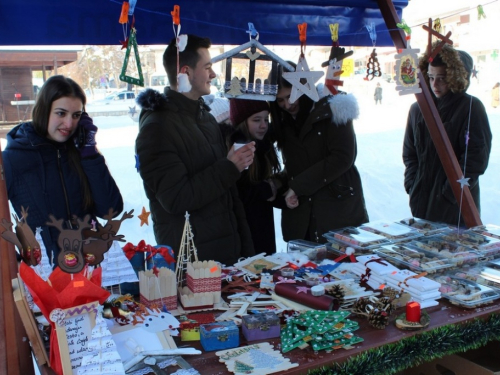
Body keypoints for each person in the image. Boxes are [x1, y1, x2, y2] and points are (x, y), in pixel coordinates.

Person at [135, 34, 255, 265]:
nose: (213, 74)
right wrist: (229, 166)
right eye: (207, 67)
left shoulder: (205, 118)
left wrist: (245, 250)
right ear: (186, 72)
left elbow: (228, 195)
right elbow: (176, 198)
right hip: (192, 264)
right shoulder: (157, 128)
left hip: (227, 256)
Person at [2, 75, 123, 265]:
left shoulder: (80, 153)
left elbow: (111, 209)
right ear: (44, 110)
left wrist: (90, 155)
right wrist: (15, 263)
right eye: (61, 113)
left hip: (92, 268)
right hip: (46, 277)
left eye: (76, 116)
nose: (69, 124)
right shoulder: (13, 158)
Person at [268, 62, 369, 243]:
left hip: (337, 211)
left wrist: (297, 186)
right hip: (302, 218)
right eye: (280, 100)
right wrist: (279, 181)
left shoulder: (334, 108)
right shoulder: (284, 122)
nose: (287, 104)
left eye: (291, 96)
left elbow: (343, 157)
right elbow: (298, 166)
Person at [403, 43, 492, 225]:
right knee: (423, 251)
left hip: (456, 207)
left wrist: (450, 194)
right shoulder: (417, 109)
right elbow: (410, 154)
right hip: (421, 201)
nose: (435, 84)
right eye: (431, 77)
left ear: (455, 77)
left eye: (442, 78)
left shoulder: (471, 107)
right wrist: (413, 185)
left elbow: (475, 159)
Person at [226, 98, 287, 255]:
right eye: (256, 120)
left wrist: (281, 197)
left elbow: (266, 186)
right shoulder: (236, 150)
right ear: (242, 121)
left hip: (263, 227)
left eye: (266, 119)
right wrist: (267, 190)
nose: (263, 125)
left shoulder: (262, 146)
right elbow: (239, 191)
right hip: (244, 233)